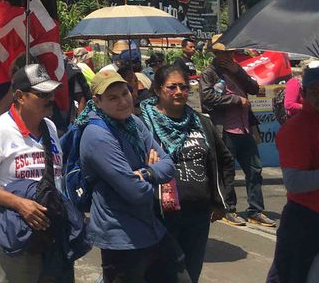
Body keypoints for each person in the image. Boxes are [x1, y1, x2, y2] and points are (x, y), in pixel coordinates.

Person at [79, 69, 188, 283]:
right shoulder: (97, 136)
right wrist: (152, 178)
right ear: (97, 101)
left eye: (124, 93)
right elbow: (136, 192)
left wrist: (146, 172)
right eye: (112, 98)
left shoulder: (133, 123)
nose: (122, 102)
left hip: (150, 227)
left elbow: (168, 165)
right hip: (121, 235)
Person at [0, 63, 66, 281]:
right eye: (42, 94)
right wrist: (19, 204)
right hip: (11, 229)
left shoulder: (49, 127)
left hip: (49, 229)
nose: (50, 98)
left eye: (51, 92)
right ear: (20, 97)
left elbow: (58, 174)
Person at [141, 64, 235, 282]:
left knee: (192, 272)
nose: (179, 92)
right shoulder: (142, 124)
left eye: (183, 87)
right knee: (167, 275)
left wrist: (221, 200)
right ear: (157, 89)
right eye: (171, 87)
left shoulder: (202, 122)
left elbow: (224, 160)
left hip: (198, 215)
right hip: (159, 215)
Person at [200, 34, 276, 227]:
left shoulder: (237, 69)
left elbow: (253, 87)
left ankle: (255, 210)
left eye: (230, 52)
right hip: (225, 129)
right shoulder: (209, 73)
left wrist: (238, 72)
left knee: (254, 169)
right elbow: (207, 98)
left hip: (244, 128)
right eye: (222, 53)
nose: (227, 56)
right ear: (216, 54)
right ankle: (229, 209)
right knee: (228, 172)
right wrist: (236, 100)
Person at [273, 63, 319, 282]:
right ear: (304, 94)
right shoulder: (296, 129)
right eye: (314, 91)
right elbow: (294, 182)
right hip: (305, 221)